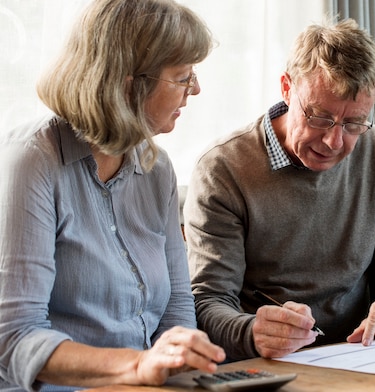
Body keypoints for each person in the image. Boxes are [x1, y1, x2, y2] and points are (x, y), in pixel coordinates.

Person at [0, 0, 226, 390]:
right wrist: (138, 365)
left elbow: (176, 308)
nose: (196, 89)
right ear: (127, 82)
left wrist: (180, 359)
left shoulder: (157, 169)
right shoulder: (31, 161)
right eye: (183, 76)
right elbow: (15, 338)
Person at [184, 18, 375, 361]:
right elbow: (208, 301)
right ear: (287, 88)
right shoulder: (223, 169)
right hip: (265, 362)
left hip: (362, 355)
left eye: (353, 123)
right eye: (319, 116)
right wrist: (251, 332)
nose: (334, 141)